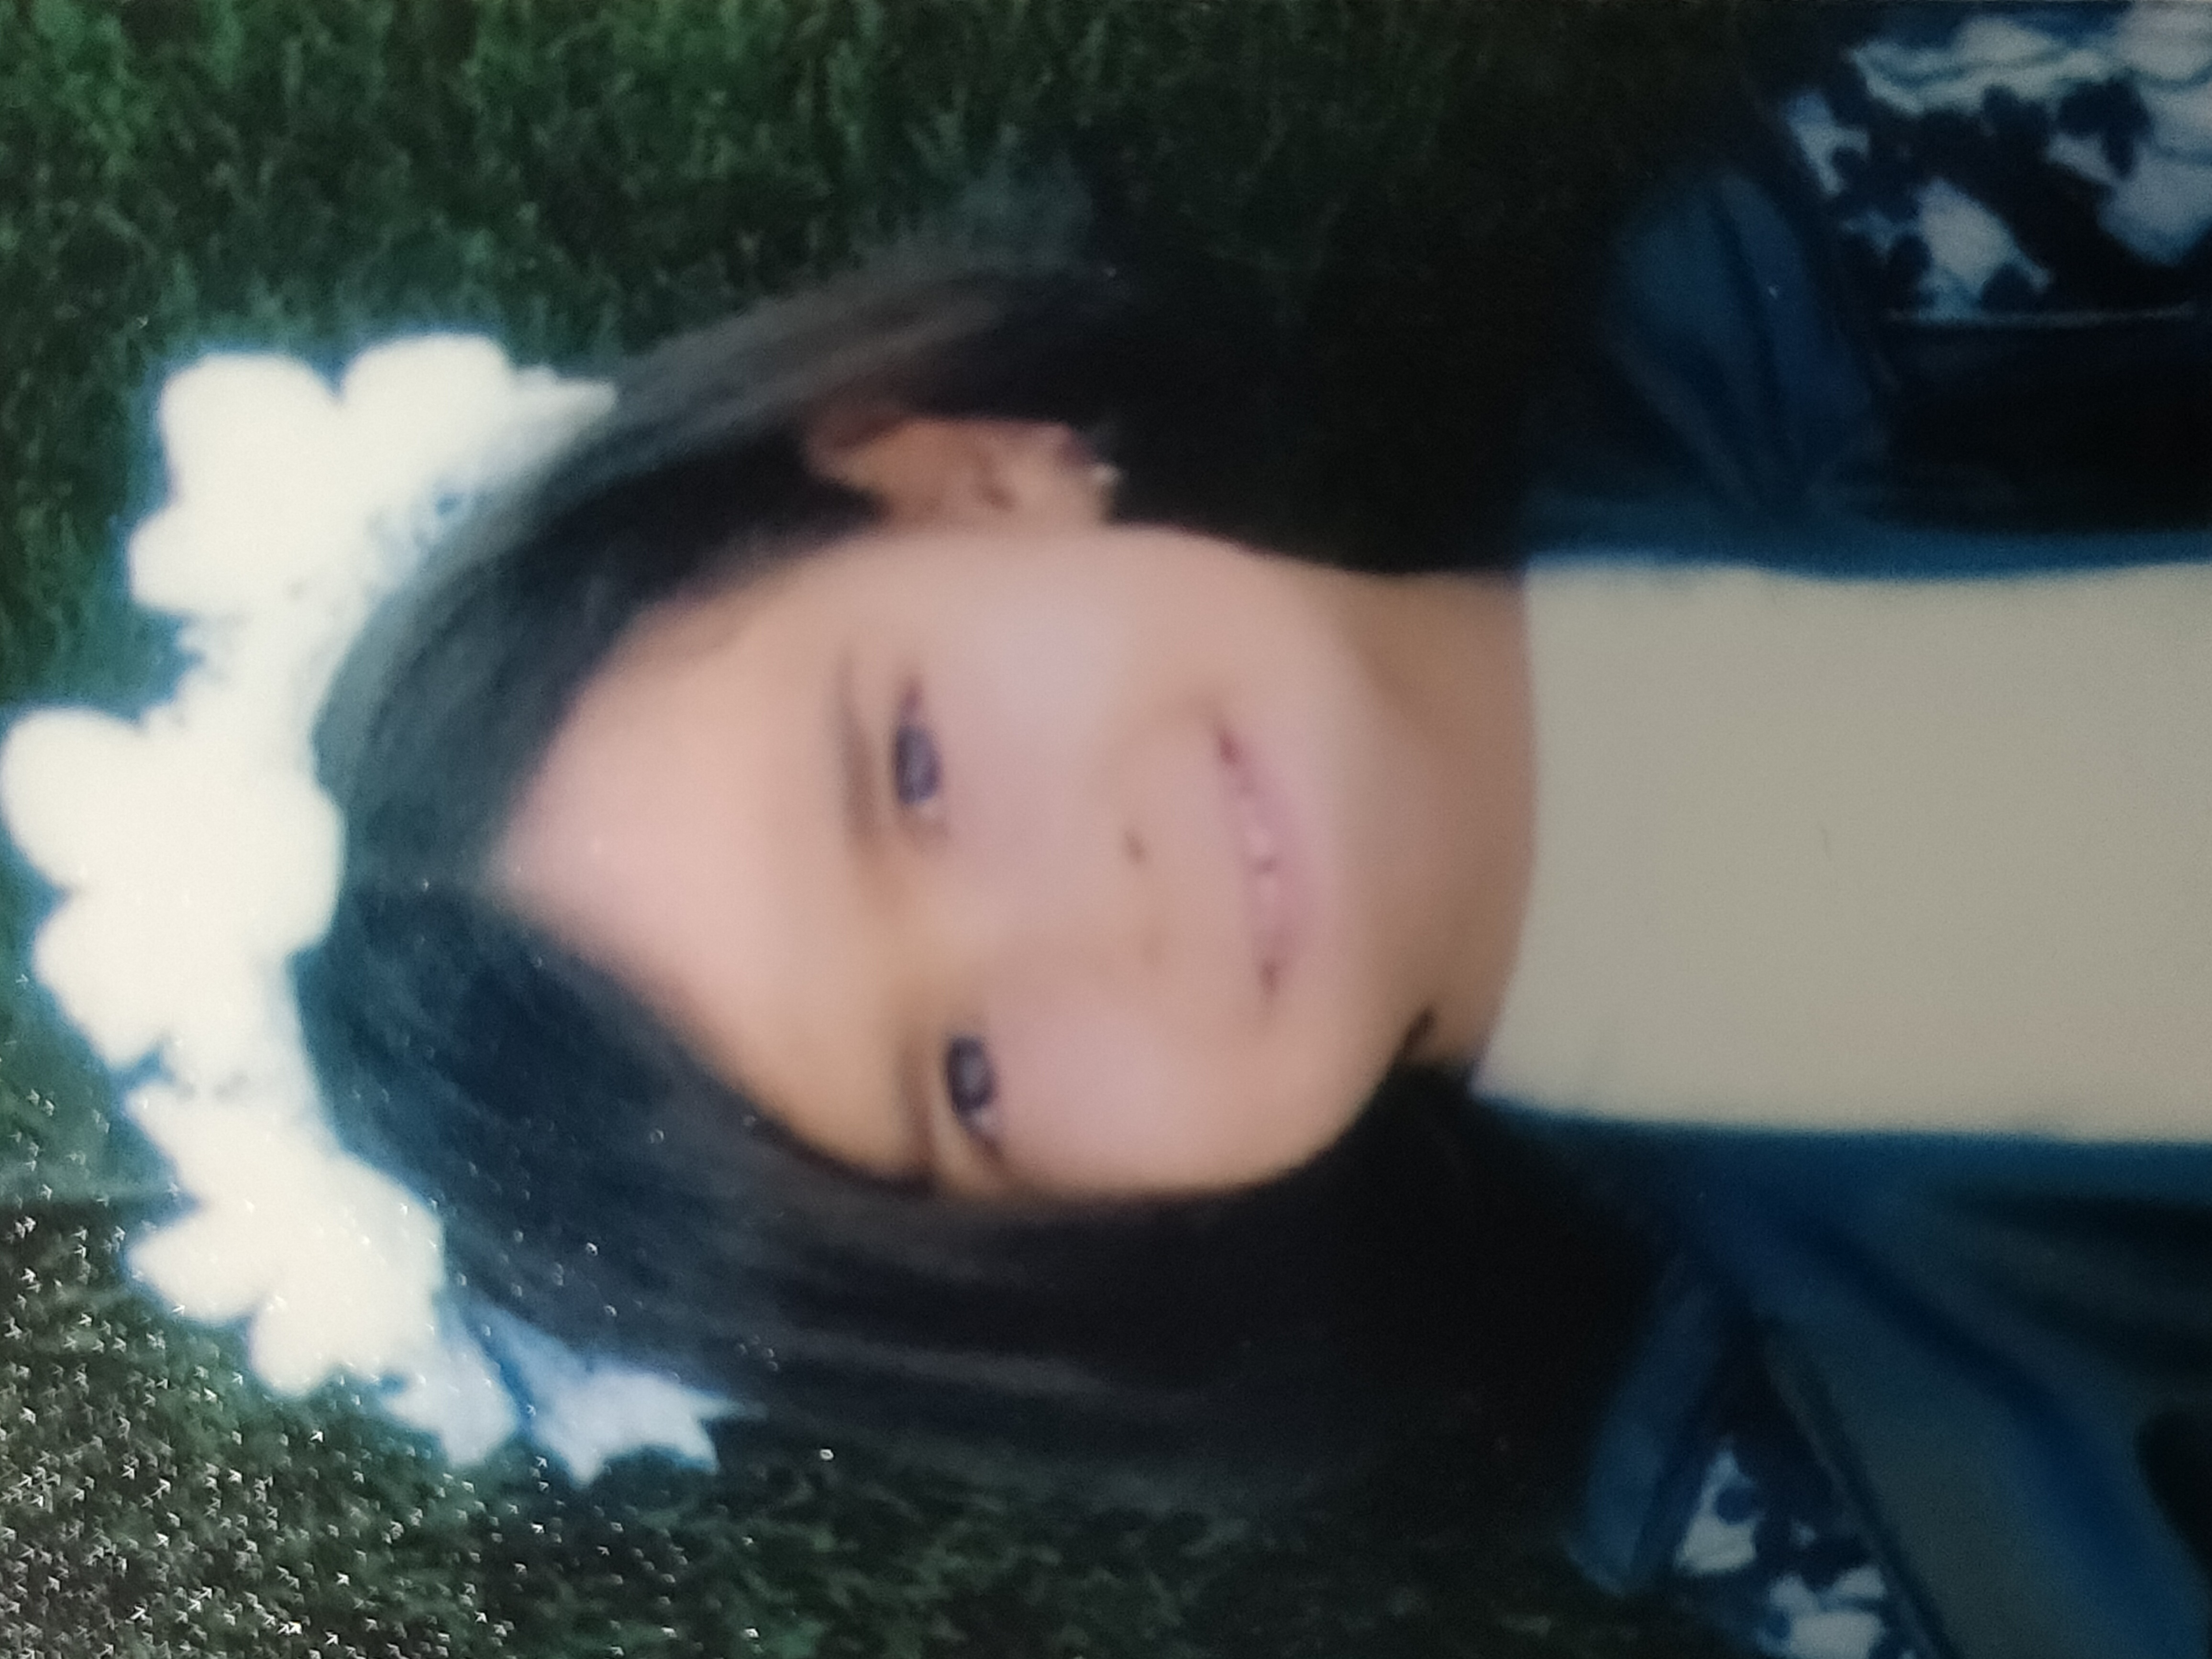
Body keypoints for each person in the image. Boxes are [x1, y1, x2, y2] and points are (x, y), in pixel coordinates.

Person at [24, 4, 2210, 1656]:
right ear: (1064, 1248)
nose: (1093, 914)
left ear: (954, 465)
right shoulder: (1836, 1475)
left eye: (912, 768)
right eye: (968, 1080)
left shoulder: (1882, 248)